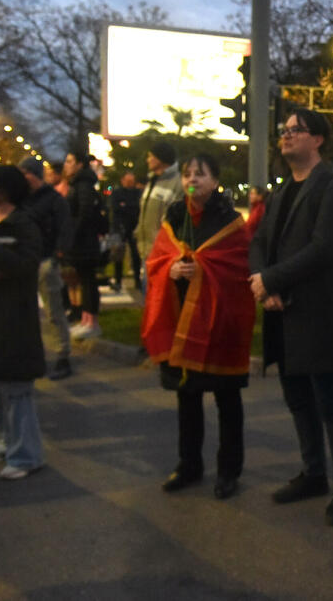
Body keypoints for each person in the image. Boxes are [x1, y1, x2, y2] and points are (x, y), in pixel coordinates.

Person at [248, 108, 333, 527]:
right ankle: (314, 473)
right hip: (284, 314)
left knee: (331, 403)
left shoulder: (331, 188)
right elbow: (259, 241)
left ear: (318, 139)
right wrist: (265, 282)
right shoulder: (281, 191)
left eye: (297, 130)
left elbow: (325, 247)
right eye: (285, 130)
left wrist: (271, 280)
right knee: (297, 399)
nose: (287, 135)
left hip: (319, 315)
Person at [141, 154, 255, 499]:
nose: (192, 179)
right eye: (188, 174)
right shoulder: (174, 216)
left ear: (215, 181)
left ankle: (228, 471)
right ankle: (188, 465)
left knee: (226, 398)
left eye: (200, 174)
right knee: (186, 397)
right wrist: (172, 269)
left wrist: (203, 270)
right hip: (182, 322)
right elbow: (157, 259)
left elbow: (238, 269)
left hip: (220, 324)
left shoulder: (230, 221)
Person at [0, 165, 46, 480]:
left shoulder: (23, 224)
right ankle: (7, 440)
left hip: (14, 314)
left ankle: (26, 455)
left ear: (6, 187)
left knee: (15, 386)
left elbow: (26, 265)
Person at [19, 156, 74, 379]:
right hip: (25, 260)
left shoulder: (54, 200)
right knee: (26, 311)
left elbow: (65, 228)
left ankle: (62, 354)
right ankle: (33, 355)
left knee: (54, 311)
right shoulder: (21, 199)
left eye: (26, 173)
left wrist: (58, 255)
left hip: (45, 260)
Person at [62, 150, 104, 339]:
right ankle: (86, 319)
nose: (66, 165)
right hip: (82, 241)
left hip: (84, 242)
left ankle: (91, 322)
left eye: (70, 161)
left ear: (80, 164)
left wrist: (73, 235)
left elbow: (84, 214)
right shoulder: (79, 184)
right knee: (84, 280)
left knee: (88, 281)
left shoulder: (83, 185)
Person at [136, 141, 183, 266]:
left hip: (165, 253)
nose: (148, 160)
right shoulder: (152, 181)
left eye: (150, 156)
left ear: (161, 159)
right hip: (146, 251)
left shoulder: (178, 183)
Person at [109, 171, 142, 291]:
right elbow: (115, 207)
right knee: (118, 255)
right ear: (122, 181)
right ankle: (118, 280)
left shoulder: (138, 193)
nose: (130, 184)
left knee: (136, 255)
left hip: (134, 227)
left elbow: (138, 207)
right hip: (120, 228)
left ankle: (137, 280)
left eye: (131, 181)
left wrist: (125, 205)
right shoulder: (117, 193)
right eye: (128, 181)